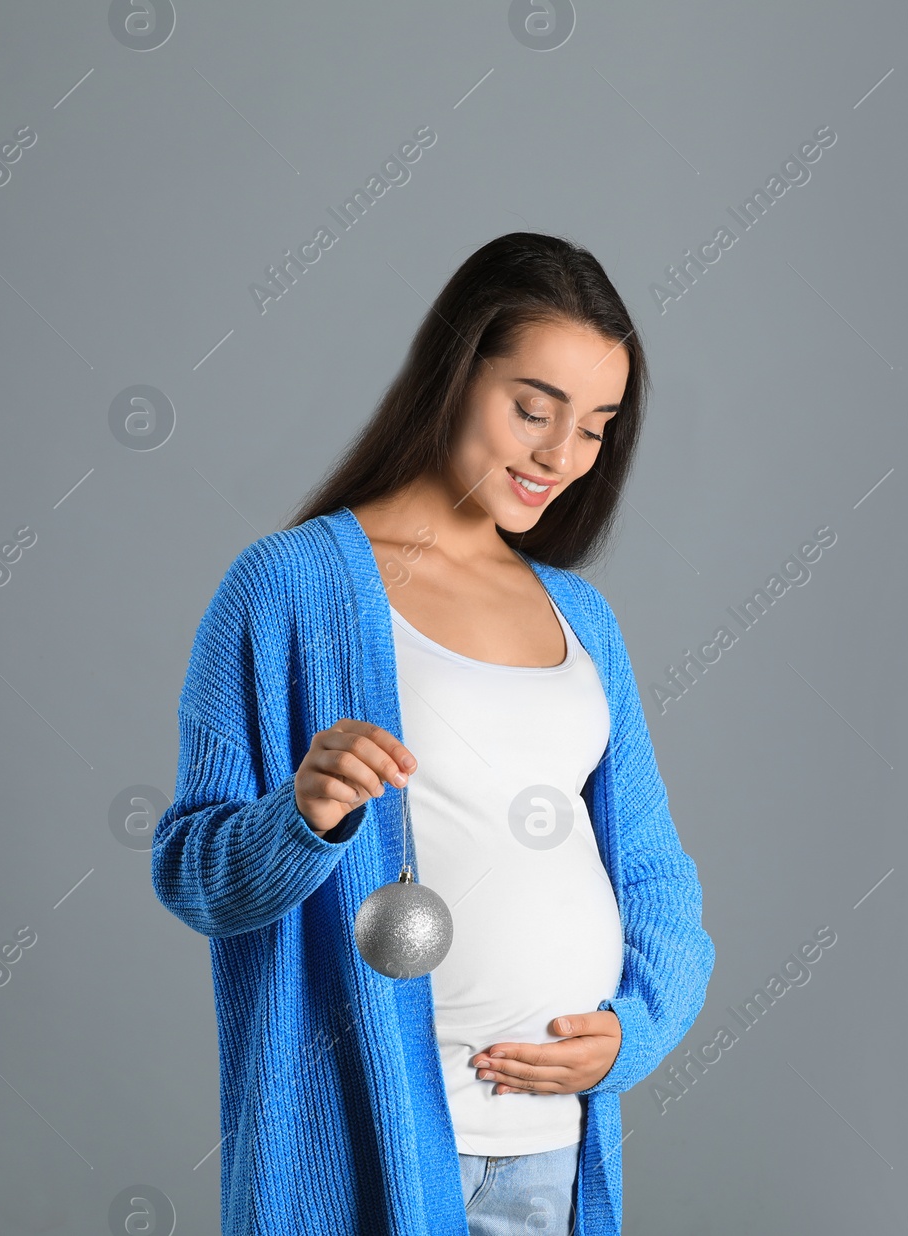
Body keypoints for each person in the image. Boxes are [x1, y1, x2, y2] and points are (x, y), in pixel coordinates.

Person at [151, 233, 715, 1235]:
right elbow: (194, 877)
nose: (559, 455)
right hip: (362, 1142)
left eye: (595, 427)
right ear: (455, 374)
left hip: (547, 1151)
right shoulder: (292, 589)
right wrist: (302, 818)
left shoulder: (579, 617)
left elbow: (654, 873)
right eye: (534, 410)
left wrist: (633, 1034)